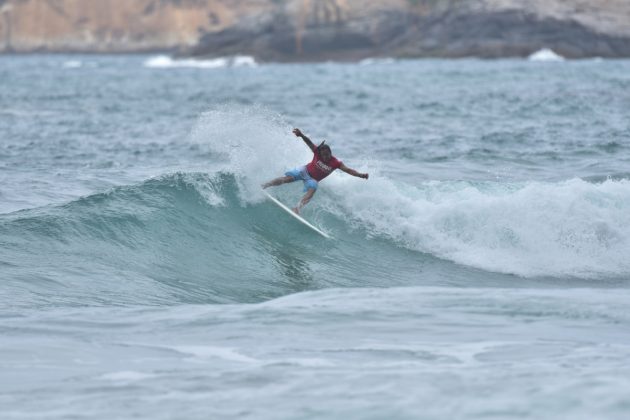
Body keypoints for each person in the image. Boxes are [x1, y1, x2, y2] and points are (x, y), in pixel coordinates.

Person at [262, 128, 369, 214]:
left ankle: (297, 208)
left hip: (313, 179)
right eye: (324, 155)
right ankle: (265, 185)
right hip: (304, 171)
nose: (326, 157)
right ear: (320, 153)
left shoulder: (336, 163)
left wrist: (360, 175)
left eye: (327, 154)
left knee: (312, 190)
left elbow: (349, 171)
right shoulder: (317, 152)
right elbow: (309, 143)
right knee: (287, 179)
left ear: (330, 152)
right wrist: (301, 135)